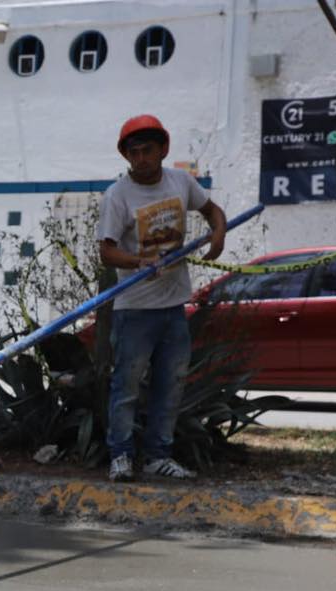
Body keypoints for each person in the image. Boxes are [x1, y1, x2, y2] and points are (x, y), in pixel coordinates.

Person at [97, 114, 226, 482]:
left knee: (170, 384)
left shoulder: (180, 182)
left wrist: (218, 233)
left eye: (147, 150)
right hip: (134, 309)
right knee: (127, 387)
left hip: (173, 307)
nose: (141, 159)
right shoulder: (117, 196)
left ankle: (158, 455)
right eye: (133, 153)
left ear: (163, 149)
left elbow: (212, 210)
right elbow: (106, 252)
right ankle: (120, 455)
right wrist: (139, 261)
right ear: (126, 156)